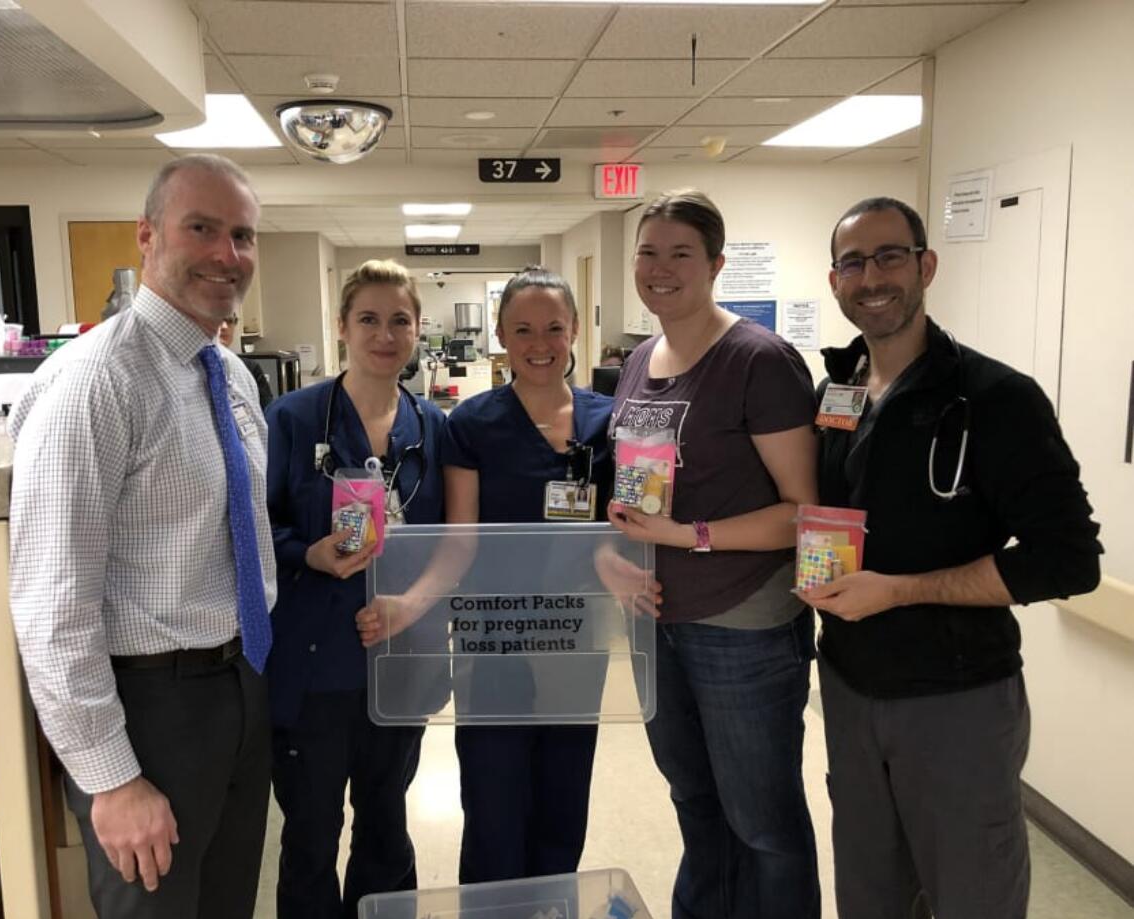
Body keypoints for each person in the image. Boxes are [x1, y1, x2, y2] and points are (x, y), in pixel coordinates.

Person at [801, 197, 1103, 919]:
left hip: (956, 701)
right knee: (869, 896)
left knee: (973, 894)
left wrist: (899, 591)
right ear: (835, 280)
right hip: (848, 689)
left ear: (925, 265)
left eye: (890, 256)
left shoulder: (996, 399)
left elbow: (1069, 560)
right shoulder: (836, 393)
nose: (872, 277)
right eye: (853, 262)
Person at [8, 154, 275, 919]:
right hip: (151, 707)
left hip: (239, 685)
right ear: (147, 236)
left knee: (227, 904)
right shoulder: (95, 382)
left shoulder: (230, 375)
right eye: (203, 228)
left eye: (244, 235)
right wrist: (112, 777)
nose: (228, 254)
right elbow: (52, 605)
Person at [607, 189, 820, 919]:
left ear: (716, 264)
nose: (660, 268)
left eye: (680, 253)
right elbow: (642, 482)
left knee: (762, 822)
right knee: (695, 801)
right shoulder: (640, 359)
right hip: (659, 619)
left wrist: (686, 536)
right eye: (647, 251)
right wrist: (625, 540)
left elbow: (803, 513)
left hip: (743, 624)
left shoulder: (758, 360)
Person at [264, 259, 446, 919]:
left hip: (401, 664)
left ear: (419, 329)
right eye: (368, 318)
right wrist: (306, 551)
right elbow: (255, 530)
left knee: (386, 827)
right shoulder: (291, 418)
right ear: (342, 327)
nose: (385, 333)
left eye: (400, 319)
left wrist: (411, 605)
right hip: (313, 669)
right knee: (310, 834)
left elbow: (456, 542)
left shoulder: (433, 430)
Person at [439, 265, 615, 884]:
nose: (540, 344)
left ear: (573, 332)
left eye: (554, 328)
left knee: (564, 793)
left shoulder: (607, 422)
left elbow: (618, 529)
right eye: (523, 329)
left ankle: (551, 902)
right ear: (500, 335)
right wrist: (408, 605)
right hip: (494, 637)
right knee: (494, 795)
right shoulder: (471, 425)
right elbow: (459, 542)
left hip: (577, 635)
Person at [219, 313, 274, 410]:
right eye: (217, 319)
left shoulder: (249, 368)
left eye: (230, 321)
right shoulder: (194, 369)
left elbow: (268, 410)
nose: (224, 326)